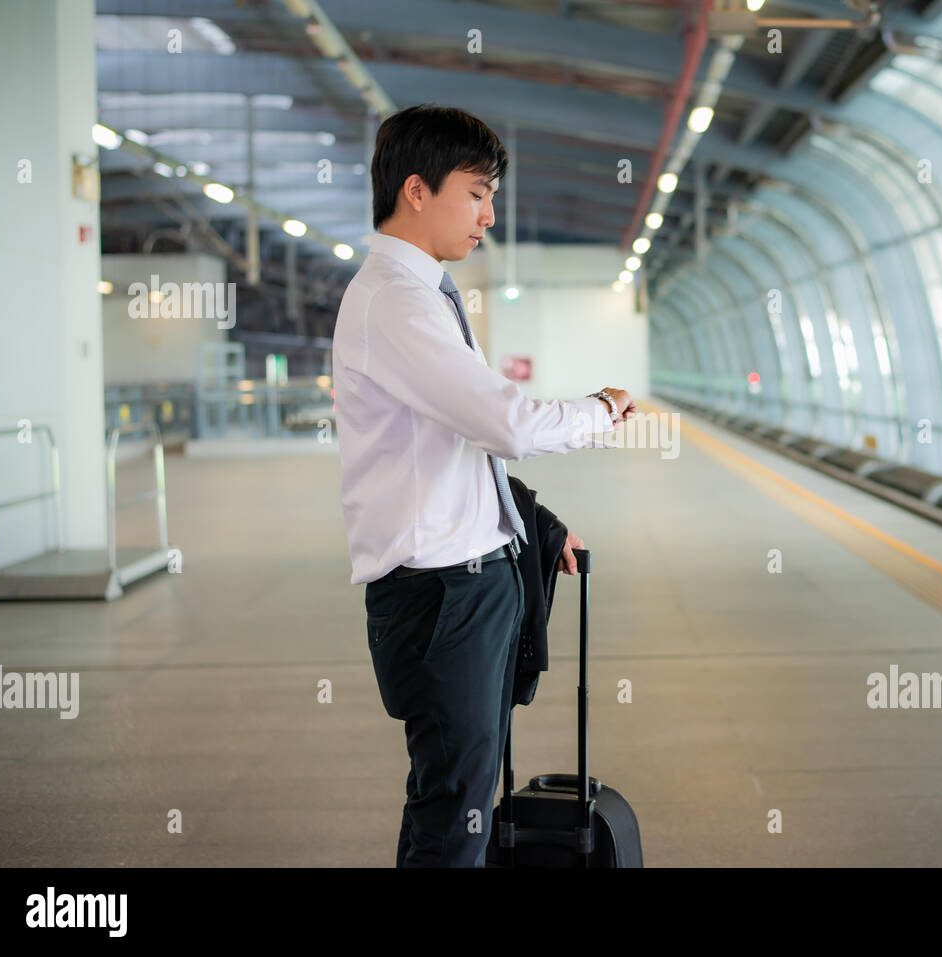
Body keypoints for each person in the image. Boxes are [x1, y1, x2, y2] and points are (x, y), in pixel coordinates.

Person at [331, 103, 636, 868]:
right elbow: (504, 423)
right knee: (455, 812)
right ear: (416, 191)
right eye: (477, 193)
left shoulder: (425, 290)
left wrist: (540, 525)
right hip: (440, 597)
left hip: (463, 585)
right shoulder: (396, 302)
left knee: (452, 798)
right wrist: (599, 409)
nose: (488, 216)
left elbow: (459, 440)